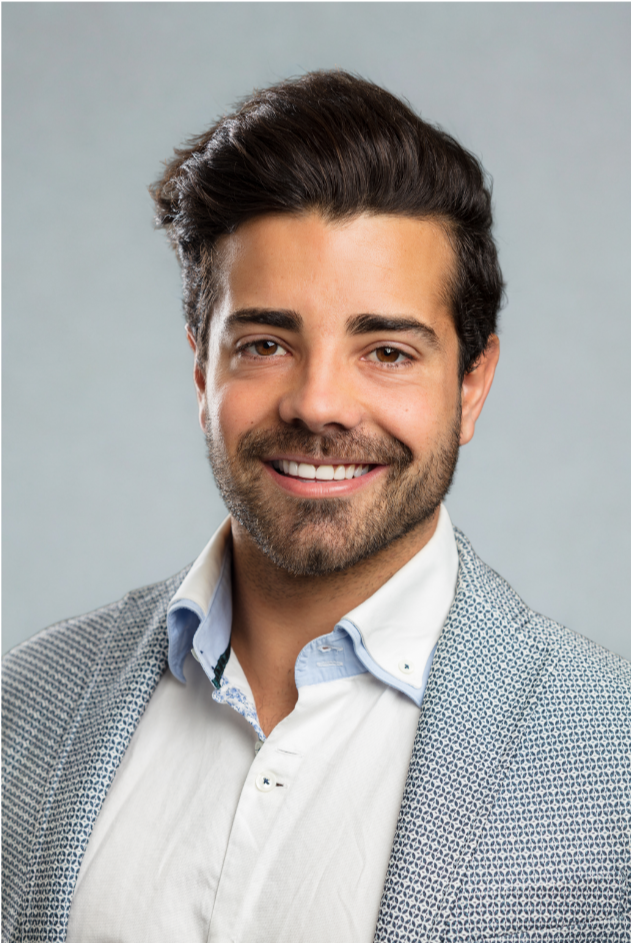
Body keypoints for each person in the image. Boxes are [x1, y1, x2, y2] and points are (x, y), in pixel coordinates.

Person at [1, 70, 628, 943]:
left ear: (472, 384)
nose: (319, 403)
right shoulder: (25, 706)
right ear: (201, 368)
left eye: (387, 351)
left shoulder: (611, 761)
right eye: (264, 343)